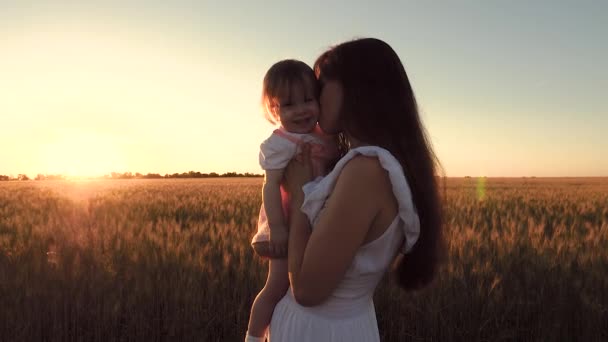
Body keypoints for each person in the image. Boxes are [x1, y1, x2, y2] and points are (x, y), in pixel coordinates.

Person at [268, 38, 444, 341]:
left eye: (321, 85)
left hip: (318, 331)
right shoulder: (379, 165)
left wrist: (299, 194)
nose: (314, 96)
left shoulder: (366, 171)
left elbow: (308, 290)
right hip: (346, 324)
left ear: (356, 87)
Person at [245, 59, 339, 342]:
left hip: (315, 222)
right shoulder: (279, 143)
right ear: (275, 110)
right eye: (288, 105)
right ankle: (252, 337)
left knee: (303, 282)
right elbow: (270, 186)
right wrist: (278, 227)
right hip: (286, 223)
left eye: (308, 99)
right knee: (276, 286)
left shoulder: (327, 137)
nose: (300, 110)